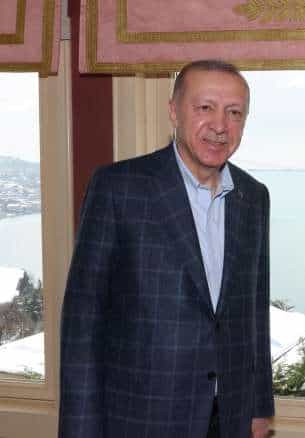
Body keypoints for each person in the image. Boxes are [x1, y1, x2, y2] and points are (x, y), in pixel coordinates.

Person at [59, 60, 273, 438]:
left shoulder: (254, 198)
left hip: (229, 417)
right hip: (142, 417)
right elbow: (82, 323)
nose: (220, 126)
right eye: (205, 107)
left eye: (234, 113)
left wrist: (259, 407)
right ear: (173, 111)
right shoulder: (119, 188)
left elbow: (255, 311)